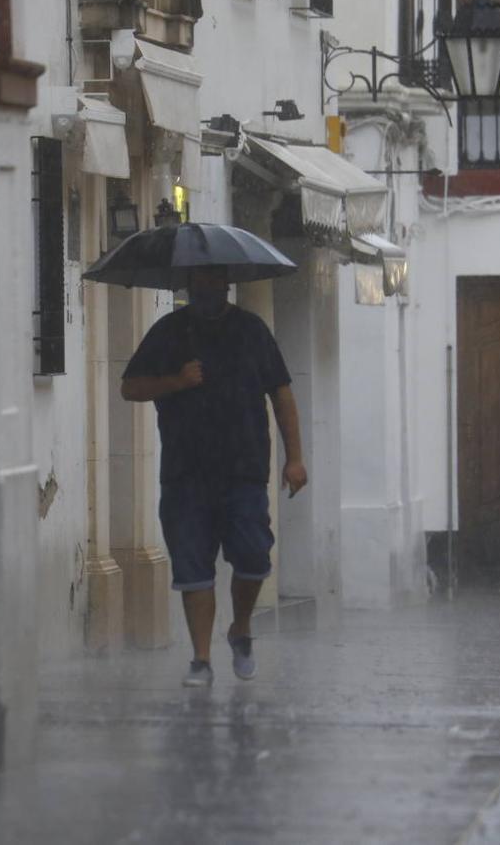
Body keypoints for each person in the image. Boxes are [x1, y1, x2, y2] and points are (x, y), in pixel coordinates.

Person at [121, 266, 306, 688]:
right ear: (189, 289)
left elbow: (281, 394)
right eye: (198, 287)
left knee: (255, 557)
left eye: (213, 287)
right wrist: (176, 381)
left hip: (244, 470)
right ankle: (201, 659)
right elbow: (129, 387)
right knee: (193, 567)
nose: (206, 294)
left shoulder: (252, 331)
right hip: (185, 472)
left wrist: (294, 458)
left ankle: (240, 628)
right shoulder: (169, 332)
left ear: (226, 288)